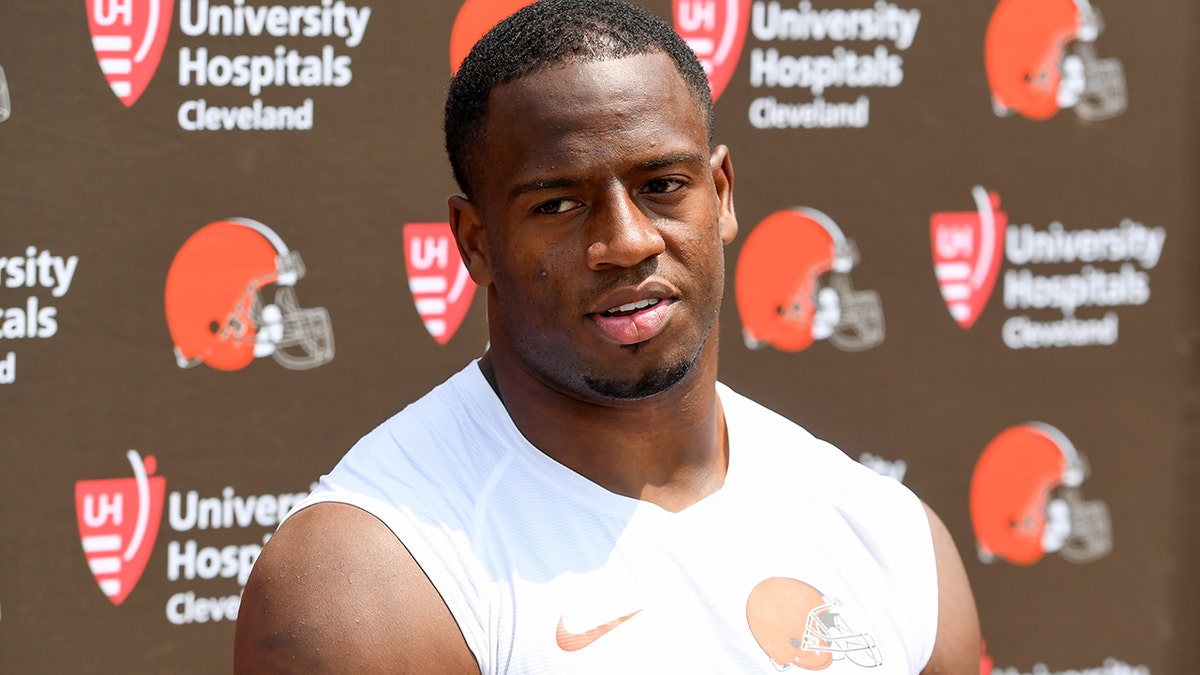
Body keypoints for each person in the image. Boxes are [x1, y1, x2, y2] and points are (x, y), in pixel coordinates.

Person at [234, 0, 981, 672]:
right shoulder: (367, 576)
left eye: (662, 186)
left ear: (720, 195)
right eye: (559, 203)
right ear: (475, 240)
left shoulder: (889, 535)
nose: (625, 242)